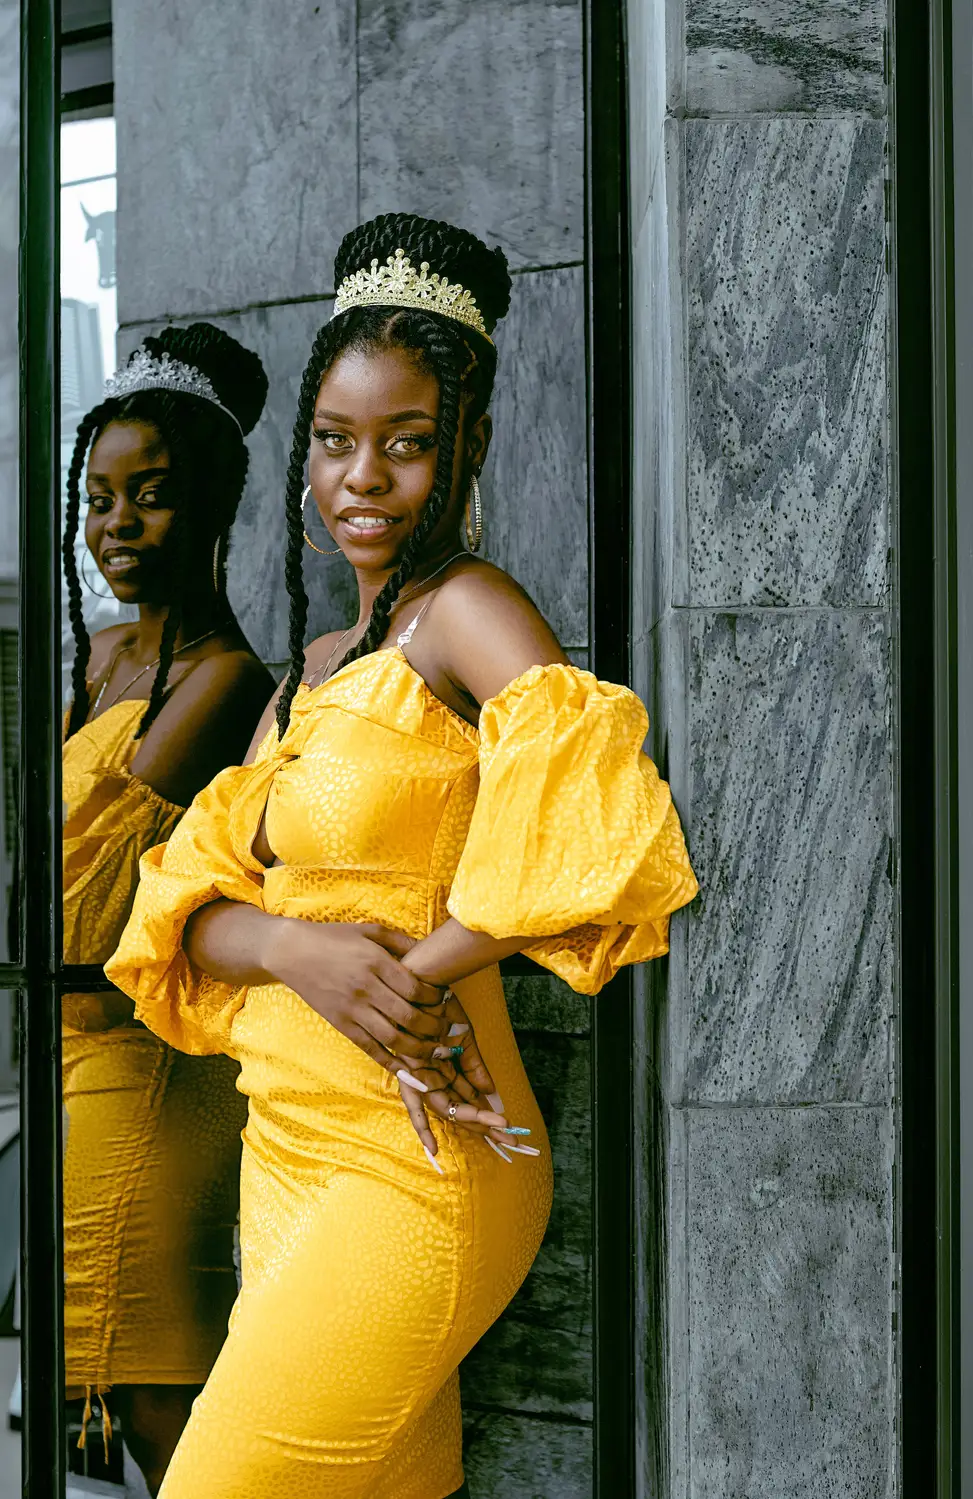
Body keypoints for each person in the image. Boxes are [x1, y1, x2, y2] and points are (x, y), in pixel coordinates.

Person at [107, 214, 699, 1499]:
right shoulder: (309, 674)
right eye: (334, 442)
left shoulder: (468, 611)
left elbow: (598, 799)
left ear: (462, 448)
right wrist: (299, 951)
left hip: (419, 1162)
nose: (361, 478)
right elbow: (183, 900)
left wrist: (416, 970)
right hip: (287, 1148)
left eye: (405, 443)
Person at [62, 323, 276, 1494]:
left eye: (150, 496)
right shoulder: (97, 657)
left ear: (207, 509)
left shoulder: (225, 675)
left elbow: (83, 898)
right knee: (90, 1368)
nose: (117, 526)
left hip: (143, 1057)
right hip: (69, 1047)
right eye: (99, 498)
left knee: (148, 1376)